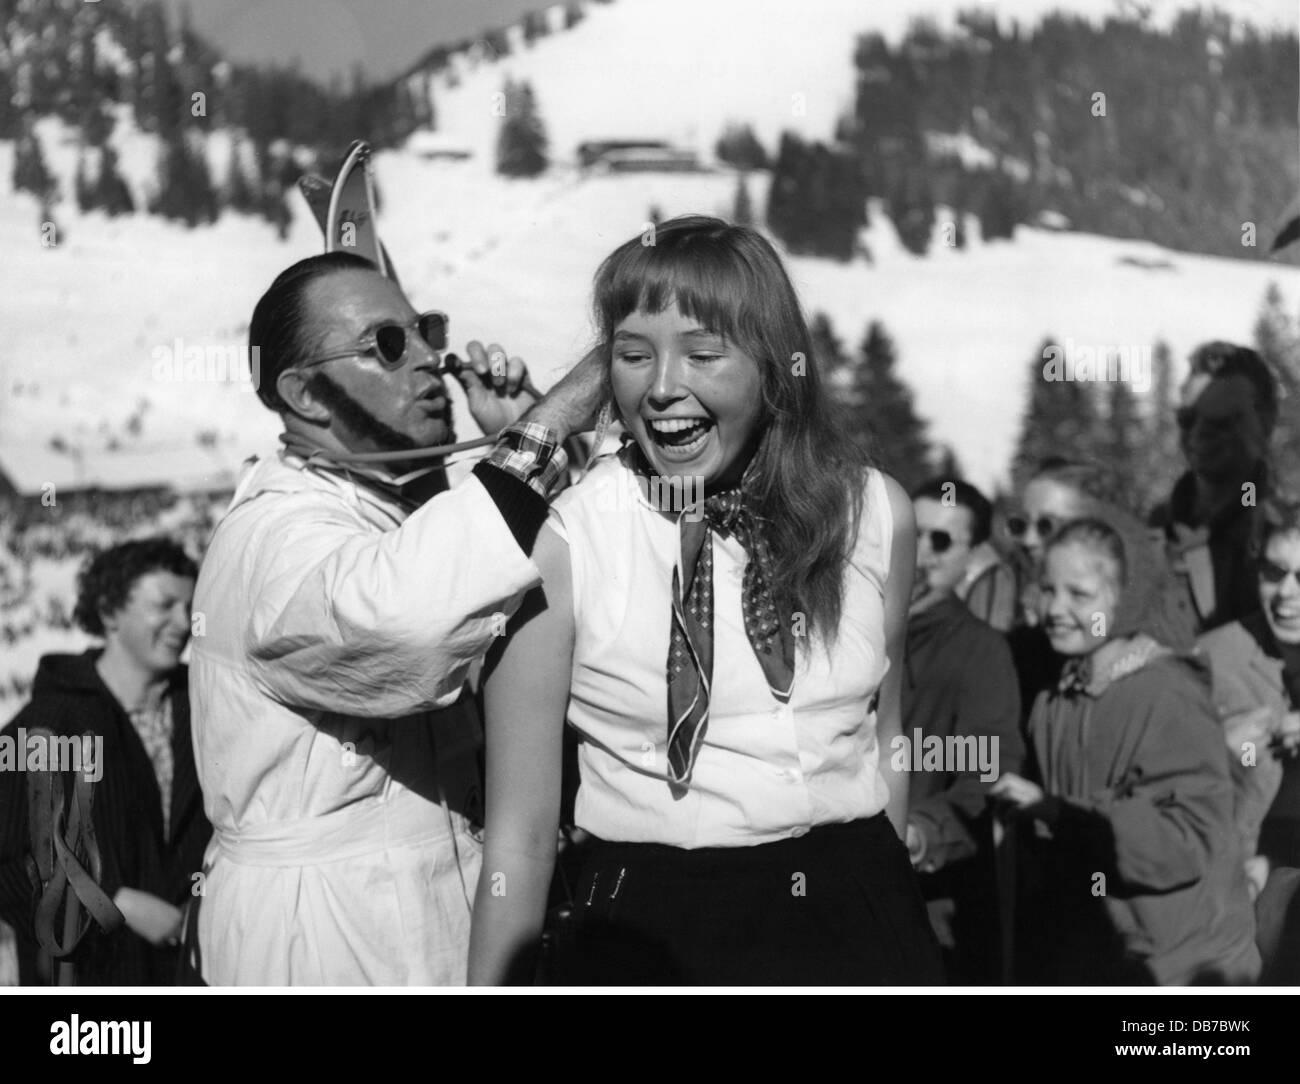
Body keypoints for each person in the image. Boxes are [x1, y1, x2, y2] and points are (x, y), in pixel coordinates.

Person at [469, 216, 942, 985]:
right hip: (655, 922)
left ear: (772, 366)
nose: (661, 390)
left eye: (702, 354)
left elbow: (884, 736)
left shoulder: (872, 511)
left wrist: (890, 914)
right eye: (631, 356)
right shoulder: (562, 541)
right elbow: (519, 833)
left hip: (858, 903)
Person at [190, 251, 603, 985]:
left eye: (426, 330)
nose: (431, 361)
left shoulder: (387, 506)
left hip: (423, 906)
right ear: (306, 395)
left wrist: (520, 445)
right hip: (322, 937)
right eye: (389, 344)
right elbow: (407, 625)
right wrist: (549, 423)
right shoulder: (272, 534)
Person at [992, 512, 1260, 985]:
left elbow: (1187, 839)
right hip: (1104, 956)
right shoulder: (1056, 697)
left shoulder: (1166, 695)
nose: (1055, 608)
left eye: (1079, 595)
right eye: (1048, 589)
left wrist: (1062, 814)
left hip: (1184, 968)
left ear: (1126, 597)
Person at [0, 538, 210, 984]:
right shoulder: (50, 723)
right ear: (111, 612)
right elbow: (9, 863)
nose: (181, 621)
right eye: (164, 604)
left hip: (195, 969)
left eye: (188, 606)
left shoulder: (206, 707)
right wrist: (113, 903)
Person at [904, 478, 1023, 983]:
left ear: (971, 556)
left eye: (942, 540)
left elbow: (988, 773)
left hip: (931, 906)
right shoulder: (851, 627)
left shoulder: (981, 651)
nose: (922, 552)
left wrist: (923, 833)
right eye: (914, 533)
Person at [1150, 341, 1277, 633]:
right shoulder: (1156, 529)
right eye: (1187, 420)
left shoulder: (1281, 535)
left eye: (1221, 421)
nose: (1198, 435)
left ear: (1266, 421)